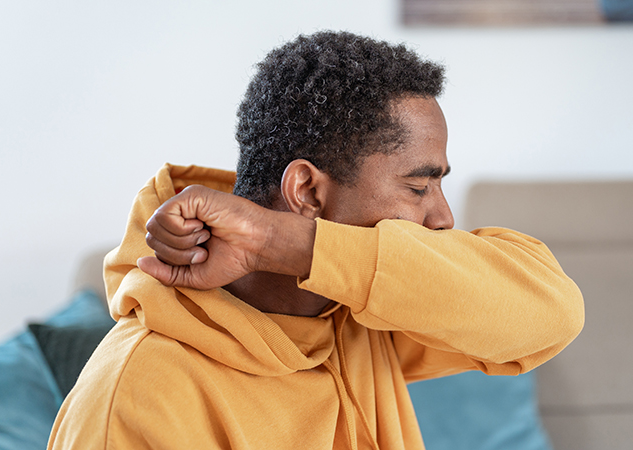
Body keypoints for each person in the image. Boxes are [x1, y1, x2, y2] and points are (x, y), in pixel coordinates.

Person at [48, 30, 584, 449]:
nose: (443, 218)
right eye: (418, 187)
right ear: (306, 190)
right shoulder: (139, 395)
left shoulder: (356, 311)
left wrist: (278, 241)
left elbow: (551, 315)